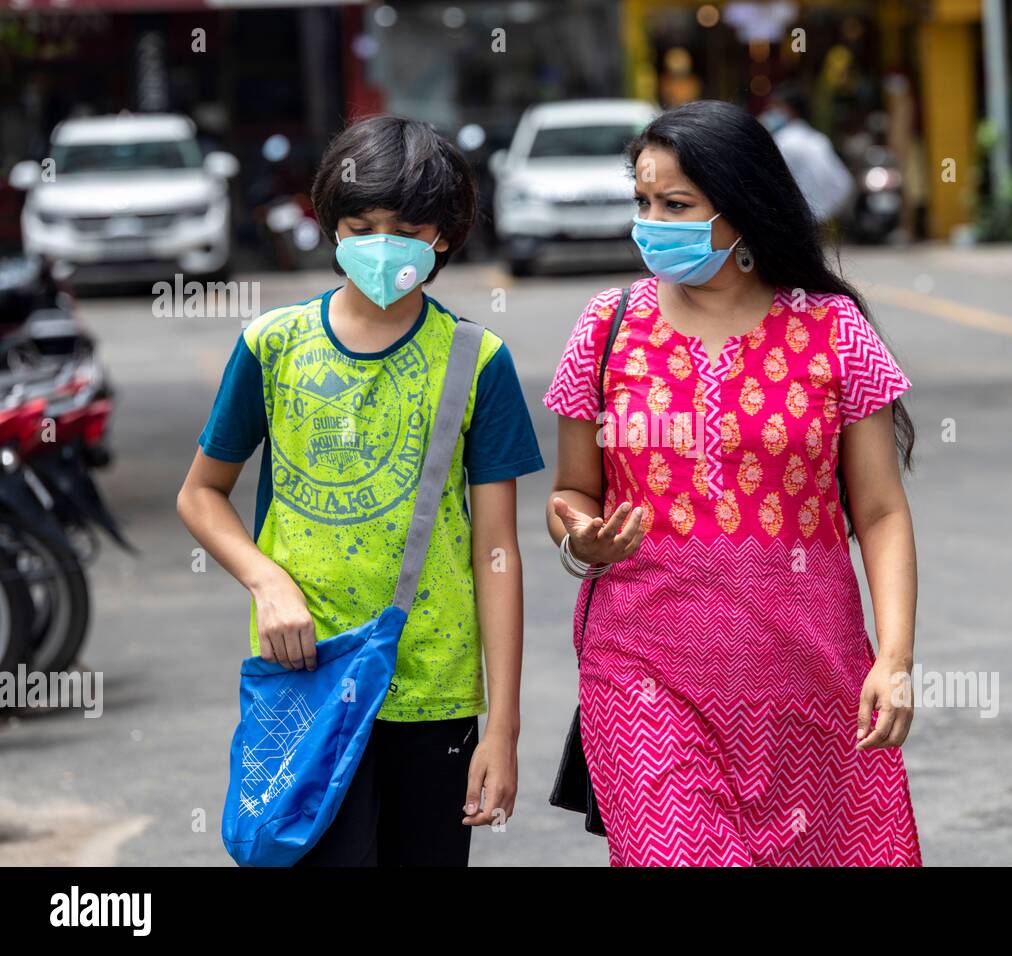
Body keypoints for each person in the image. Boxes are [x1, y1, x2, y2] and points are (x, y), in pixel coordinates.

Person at [543, 100, 922, 866]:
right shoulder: (606, 326)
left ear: (743, 205)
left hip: (811, 677)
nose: (652, 222)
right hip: (643, 671)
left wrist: (896, 658)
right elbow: (573, 492)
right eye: (643, 202)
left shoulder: (832, 329)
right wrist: (579, 533)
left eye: (676, 205)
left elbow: (879, 512)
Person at [177, 115, 543, 866]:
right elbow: (200, 494)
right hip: (305, 684)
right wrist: (265, 580)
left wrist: (501, 729)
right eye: (362, 224)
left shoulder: (479, 360)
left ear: (444, 234)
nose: (382, 245)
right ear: (331, 226)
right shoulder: (271, 346)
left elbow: (497, 550)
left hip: (435, 697)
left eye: (407, 227)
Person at [759, 87, 855, 227]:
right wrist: (825, 211)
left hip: (790, 220)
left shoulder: (783, 141)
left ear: (791, 110)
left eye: (777, 107)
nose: (771, 112)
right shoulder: (817, 138)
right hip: (815, 218)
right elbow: (843, 183)